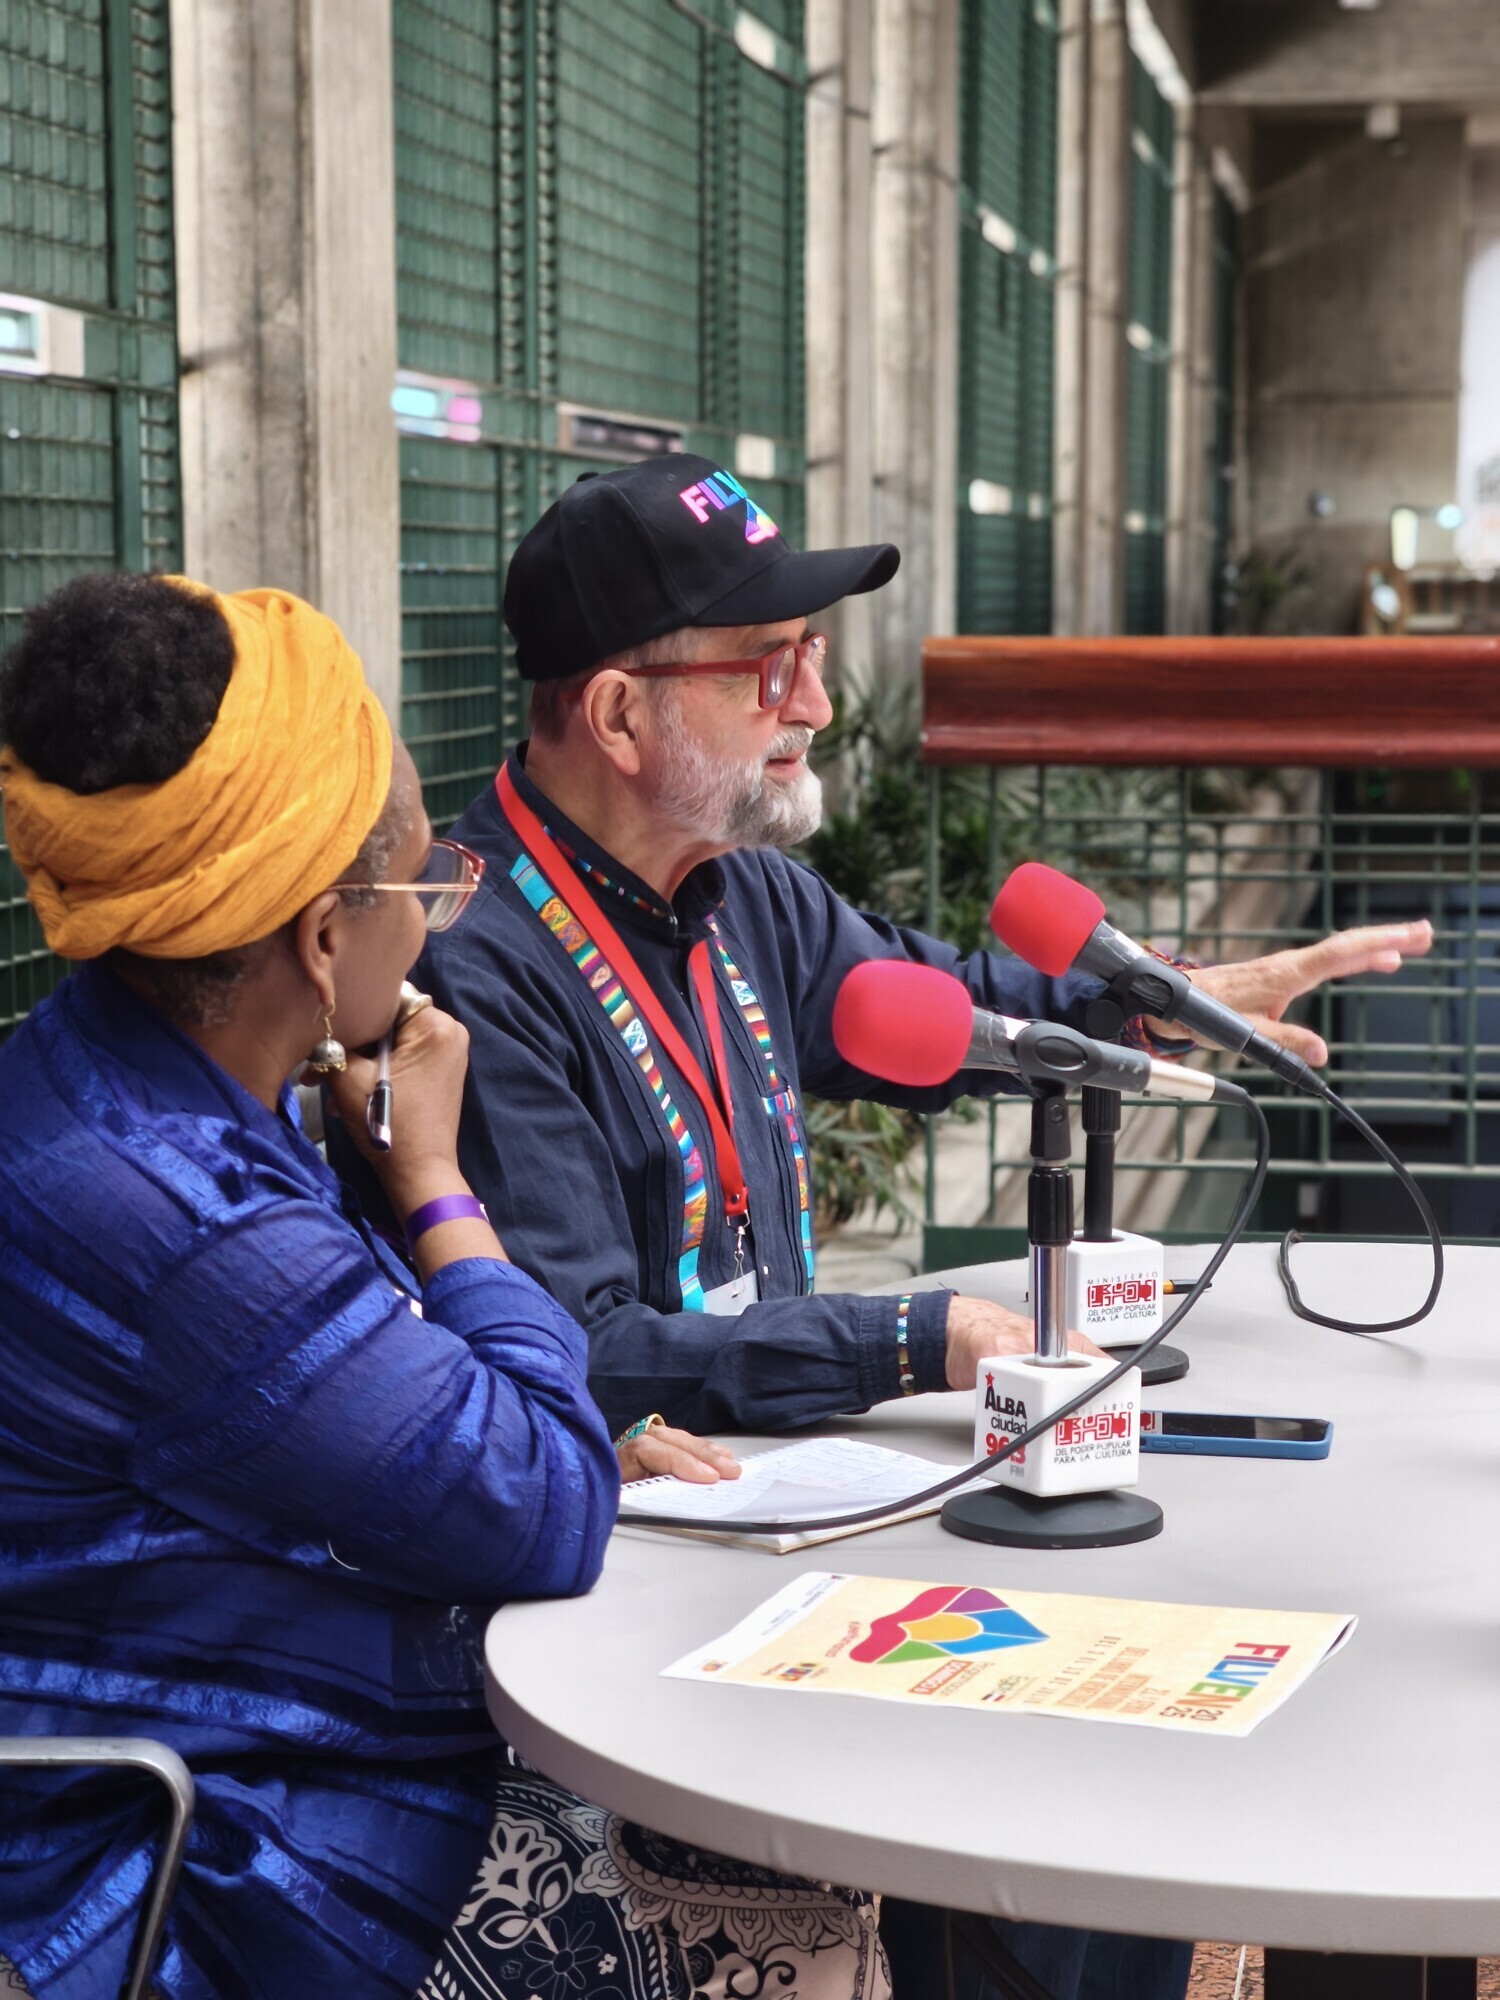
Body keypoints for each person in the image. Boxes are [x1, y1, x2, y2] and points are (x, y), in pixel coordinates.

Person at [412, 455, 1432, 2000]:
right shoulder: (477, 965)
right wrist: (920, 1333)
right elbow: (585, 1353)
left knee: (1129, 1766)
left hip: (796, 1511)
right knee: (1046, 1817)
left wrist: (1170, 1003)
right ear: (618, 716)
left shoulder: (745, 895)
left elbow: (962, 1008)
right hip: (626, 1588)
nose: (816, 705)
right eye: (771, 667)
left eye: (811, 656)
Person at [0, 572, 886, 2000]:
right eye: (427, 889)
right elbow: (543, 1510)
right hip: (221, 1853)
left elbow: (369, 1412)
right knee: (795, 1907)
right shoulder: (193, 1222)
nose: (439, 925)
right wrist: (436, 1187)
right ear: (324, 941)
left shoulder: (111, 1073)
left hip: (250, 1726)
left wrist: (528, 1429)